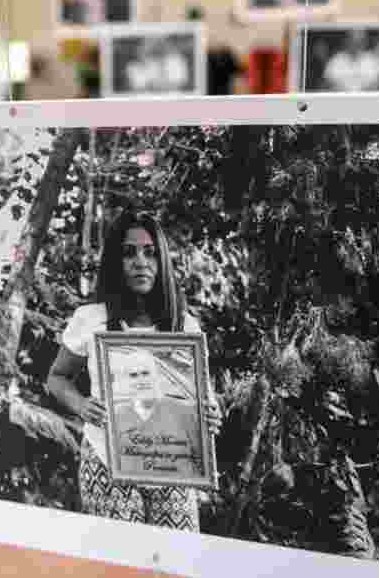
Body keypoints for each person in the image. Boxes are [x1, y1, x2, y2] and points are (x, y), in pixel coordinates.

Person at [47, 210, 221, 531]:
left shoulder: (186, 327)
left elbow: (204, 398)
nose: (141, 261)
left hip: (171, 467)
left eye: (150, 252)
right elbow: (56, 379)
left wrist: (210, 414)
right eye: (129, 252)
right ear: (116, 262)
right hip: (107, 461)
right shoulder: (91, 318)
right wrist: (82, 405)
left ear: (162, 261)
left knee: (176, 563)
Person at [112, 350, 204, 477]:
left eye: (145, 373)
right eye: (133, 375)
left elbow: (201, 460)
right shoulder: (118, 416)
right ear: (126, 382)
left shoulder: (183, 411)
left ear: (156, 376)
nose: (141, 381)